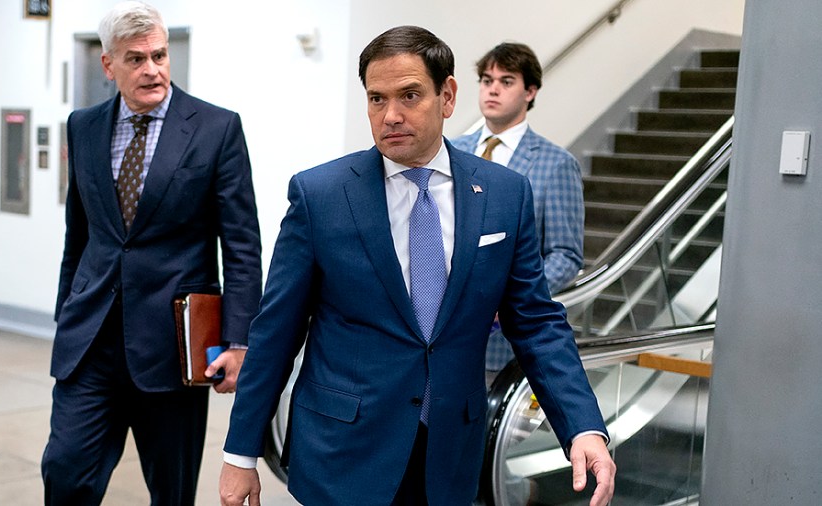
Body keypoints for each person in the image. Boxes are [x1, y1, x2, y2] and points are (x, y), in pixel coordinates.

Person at [219, 26, 614, 506]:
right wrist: (240, 454)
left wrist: (583, 426)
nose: (391, 115)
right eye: (376, 99)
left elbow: (536, 322)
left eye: (410, 95)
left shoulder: (505, 194)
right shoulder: (320, 196)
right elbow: (277, 331)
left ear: (447, 96)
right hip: (343, 452)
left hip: (449, 452)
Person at [41, 2, 262, 505]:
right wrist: (65, 315)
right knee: (65, 471)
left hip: (172, 345)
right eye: (136, 59)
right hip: (91, 339)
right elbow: (80, 234)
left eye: (159, 55)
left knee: (171, 490)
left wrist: (239, 340)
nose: (152, 69)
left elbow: (243, 244)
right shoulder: (84, 126)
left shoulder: (216, 128)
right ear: (108, 65)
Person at [453, 42, 585, 374]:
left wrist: (511, 294)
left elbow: (565, 255)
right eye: (486, 80)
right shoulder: (452, 151)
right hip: (441, 334)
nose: (492, 89)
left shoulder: (556, 164)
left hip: (503, 344)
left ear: (530, 91)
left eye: (506, 81)